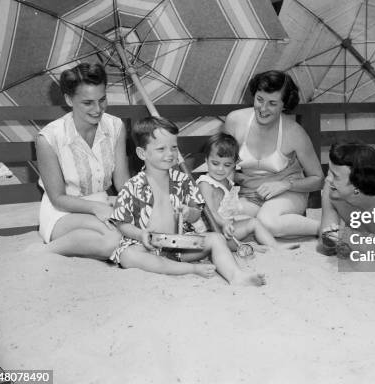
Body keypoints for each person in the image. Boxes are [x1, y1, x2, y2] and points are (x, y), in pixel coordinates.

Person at [109, 116, 266, 287]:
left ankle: (236, 275)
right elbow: (121, 223)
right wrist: (141, 234)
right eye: (161, 149)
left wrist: (189, 212)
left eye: (174, 147)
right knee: (127, 255)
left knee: (216, 239)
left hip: (181, 244)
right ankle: (189, 269)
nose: (170, 154)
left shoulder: (182, 180)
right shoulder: (132, 186)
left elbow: (197, 211)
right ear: (142, 153)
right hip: (148, 245)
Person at [36, 63, 130, 259]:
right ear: (69, 99)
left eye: (102, 99)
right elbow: (58, 198)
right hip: (62, 211)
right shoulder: (49, 137)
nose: (98, 109)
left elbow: (122, 182)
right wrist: (97, 208)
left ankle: (84, 243)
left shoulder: (115, 126)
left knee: (127, 235)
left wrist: (138, 205)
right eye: (88, 103)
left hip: (104, 204)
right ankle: (42, 252)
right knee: (114, 240)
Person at [224, 70, 323, 238]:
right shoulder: (235, 121)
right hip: (249, 194)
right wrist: (234, 178)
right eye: (259, 99)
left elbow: (318, 179)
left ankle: (327, 229)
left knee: (268, 222)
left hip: (288, 193)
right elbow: (223, 163)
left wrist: (286, 185)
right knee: (223, 221)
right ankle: (285, 226)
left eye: (272, 103)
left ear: (284, 105)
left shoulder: (294, 133)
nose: (263, 109)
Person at [197, 133, 300, 251]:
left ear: (234, 164)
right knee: (249, 226)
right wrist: (224, 223)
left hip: (226, 226)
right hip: (211, 230)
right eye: (215, 163)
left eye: (227, 165)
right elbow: (209, 213)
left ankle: (270, 246)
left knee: (252, 221)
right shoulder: (205, 184)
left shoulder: (226, 180)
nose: (220, 169)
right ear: (206, 160)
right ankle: (249, 246)